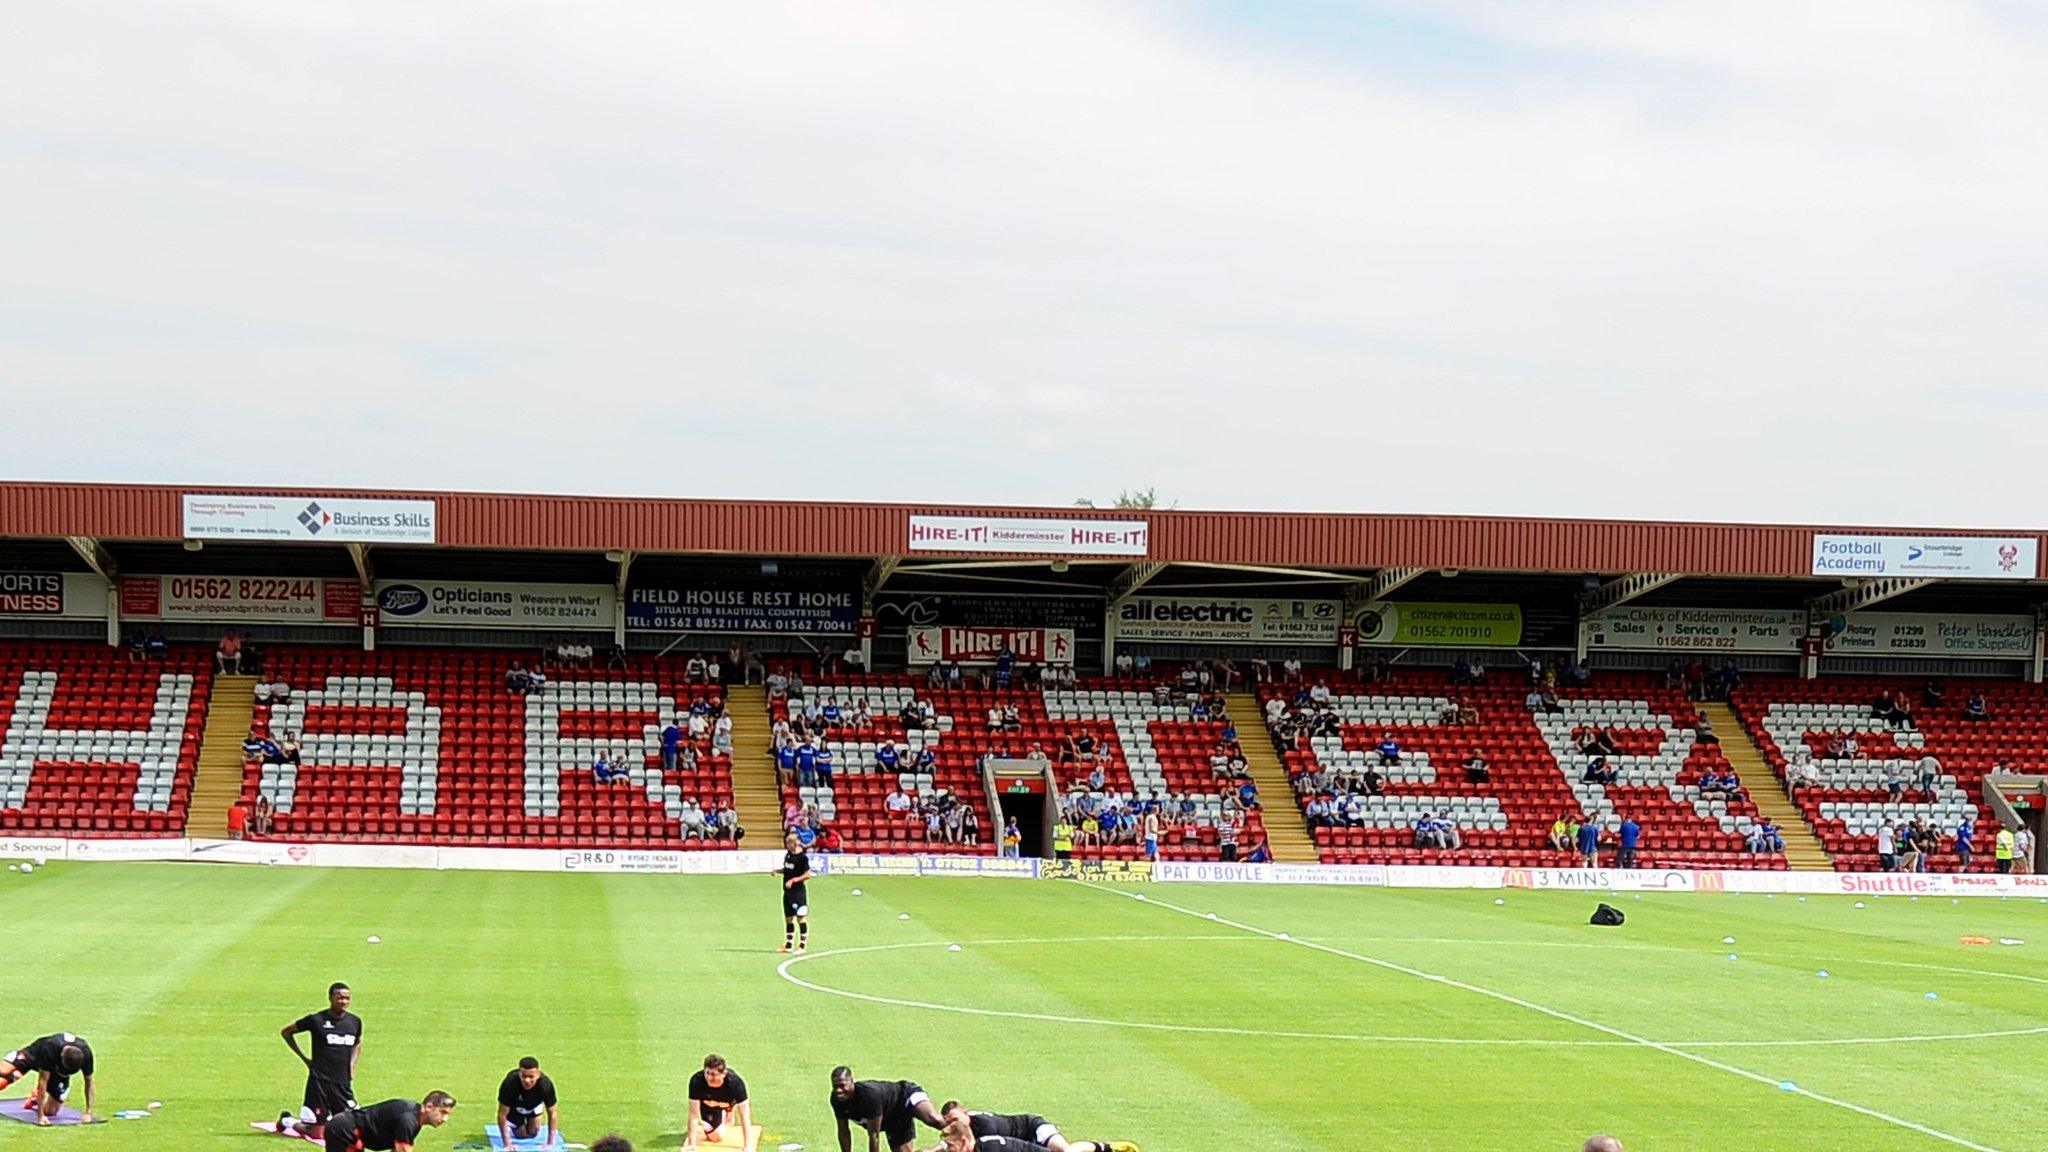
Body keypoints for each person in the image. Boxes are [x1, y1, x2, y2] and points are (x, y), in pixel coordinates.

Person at [279, 982, 362, 1138]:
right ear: (330, 998)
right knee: (318, 1135)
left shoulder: (354, 1022)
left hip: (342, 1082)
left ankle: (328, 1119)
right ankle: (287, 1121)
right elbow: (287, 1032)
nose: (343, 1001)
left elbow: (357, 1042)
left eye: (346, 998)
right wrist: (304, 1058)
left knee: (353, 1128)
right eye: (339, 998)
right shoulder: (316, 1020)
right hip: (320, 1082)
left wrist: (352, 1064)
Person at [934, 1101, 1139, 1152]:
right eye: (950, 1122)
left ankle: (1106, 1147)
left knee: (1066, 1151)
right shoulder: (971, 1133)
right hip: (1023, 1143)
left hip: (1032, 1127)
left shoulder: (986, 1132)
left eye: (955, 1119)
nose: (954, 1123)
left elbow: (1013, 1145)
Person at [831, 1068, 945, 1152]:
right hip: (892, 1119)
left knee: (934, 1119)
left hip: (905, 1095)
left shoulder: (869, 1096)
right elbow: (843, 1131)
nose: (838, 1090)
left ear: (852, 1082)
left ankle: (960, 1127)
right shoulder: (836, 1100)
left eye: (842, 1085)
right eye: (835, 1086)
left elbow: (874, 1135)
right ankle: (945, 1147)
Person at [0, 1033, 94, 1126]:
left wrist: (88, 1113)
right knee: (4, 1071)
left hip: (58, 1072)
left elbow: (89, 1084)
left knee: (51, 1111)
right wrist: (41, 1116)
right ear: (61, 1056)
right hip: (35, 1055)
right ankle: (14, 1073)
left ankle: (35, 1098)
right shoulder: (50, 1048)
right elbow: (42, 1082)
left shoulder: (86, 1054)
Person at [323, 1093, 457, 1152]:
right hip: (344, 1131)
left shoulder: (415, 1118)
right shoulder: (408, 1120)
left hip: (348, 1130)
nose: (444, 1119)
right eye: (442, 1112)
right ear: (429, 1106)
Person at [687, 1054, 752, 1147]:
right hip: (707, 1106)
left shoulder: (736, 1084)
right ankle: (720, 1116)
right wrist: (691, 1144)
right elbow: (693, 1113)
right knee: (716, 1137)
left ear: (723, 1073)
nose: (709, 1078)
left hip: (726, 1102)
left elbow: (745, 1115)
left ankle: (729, 1110)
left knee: (730, 1122)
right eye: (707, 1073)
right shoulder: (697, 1081)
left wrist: (747, 1145)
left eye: (713, 1074)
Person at [497, 1057, 562, 1149]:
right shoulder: (510, 1084)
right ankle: (514, 1125)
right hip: (515, 1108)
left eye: (531, 1077)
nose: (527, 1081)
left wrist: (551, 1142)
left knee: (533, 1132)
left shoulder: (545, 1085)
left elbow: (553, 1113)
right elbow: (502, 1114)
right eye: (524, 1076)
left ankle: (535, 1116)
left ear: (538, 1075)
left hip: (533, 1106)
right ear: (519, 1074)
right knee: (522, 1135)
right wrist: (507, 1144)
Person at [781, 832, 814, 953]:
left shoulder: (802, 858)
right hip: (787, 893)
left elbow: (808, 874)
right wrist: (777, 871)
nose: (787, 845)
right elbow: (787, 869)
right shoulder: (788, 855)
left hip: (798, 893)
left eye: (788, 843)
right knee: (788, 918)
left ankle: (802, 946)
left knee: (801, 918)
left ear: (794, 843)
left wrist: (794, 880)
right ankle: (789, 945)